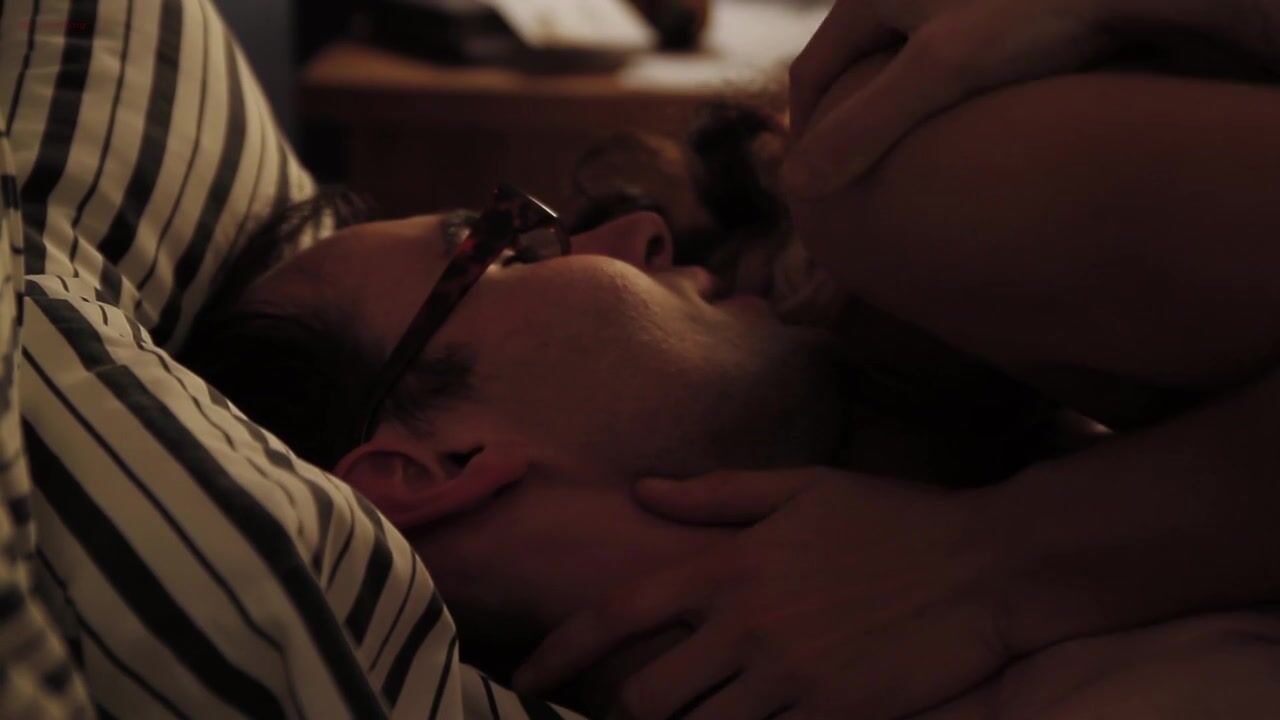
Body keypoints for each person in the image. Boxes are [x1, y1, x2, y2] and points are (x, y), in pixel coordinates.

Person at [179, 5, 1280, 718]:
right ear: (428, 465)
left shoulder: (879, 209)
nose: (644, 233)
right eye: (503, 243)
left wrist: (1002, 559)